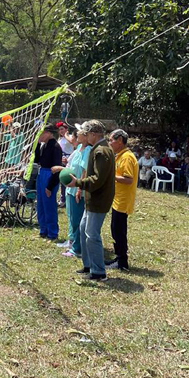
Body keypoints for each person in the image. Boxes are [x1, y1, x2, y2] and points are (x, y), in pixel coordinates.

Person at [67, 120, 115, 281]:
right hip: (92, 199)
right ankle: (88, 265)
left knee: (92, 235)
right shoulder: (97, 149)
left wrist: (78, 183)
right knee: (83, 230)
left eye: (86, 134)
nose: (84, 136)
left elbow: (97, 179)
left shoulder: (101, 151)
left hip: (98, 200)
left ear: (94, 135)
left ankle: (99, 272)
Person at [51, 124, 92, 257]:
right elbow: (70, 163)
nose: (76, 134)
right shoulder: (79, 147)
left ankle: (77, 248)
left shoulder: (88, 150)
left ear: (85, 136)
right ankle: (72, 241)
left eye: (78, 133)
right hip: (70, 188)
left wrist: (80, 188)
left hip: (77, 189)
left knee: (77, 219)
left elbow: (85, 171)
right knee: (71, 216)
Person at [106, 129, 138, 270]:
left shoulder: (127, 158)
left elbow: (128, 179)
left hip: (123, 201)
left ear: (120, 141)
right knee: (115, 230)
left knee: (119, 231)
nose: (110, 143)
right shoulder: (120, 156)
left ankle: (122, 262)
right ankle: (118, 257)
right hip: (117, 199)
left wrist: (110, 176)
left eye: (111, 140)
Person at [33, 123, 62, 240]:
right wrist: (36, 145)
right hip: (41, 174)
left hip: (49, 175)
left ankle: (52, 232)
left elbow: (57, 168)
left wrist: (50, 186)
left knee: (49, 205)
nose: (40, 135)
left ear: (49, 133)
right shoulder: (44, 146)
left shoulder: (55, 147)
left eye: (42, 133)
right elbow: (37, 160)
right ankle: (43, 229)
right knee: (40, 204)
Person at [56, 122, 75, 207]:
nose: (61, 131)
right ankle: (63, 198)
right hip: (61, 159)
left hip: (68, 160)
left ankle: (66, 199)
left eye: (62, 129)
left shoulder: (70, 137)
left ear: (66, 129)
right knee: (61, 180)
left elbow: (72, 143)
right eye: (59, 130)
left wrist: (66, 135)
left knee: (67, 179)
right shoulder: (60, 139)